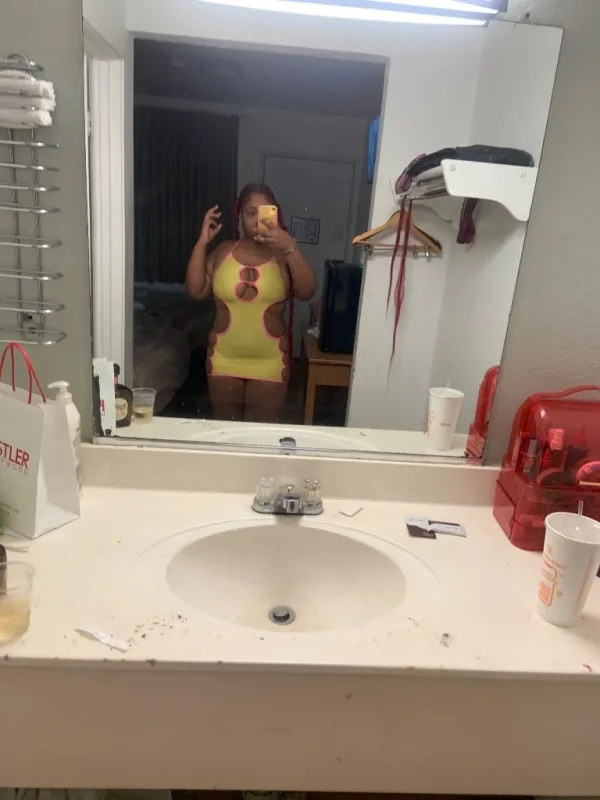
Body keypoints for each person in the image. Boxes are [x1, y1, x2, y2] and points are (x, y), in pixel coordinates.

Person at [186, 182, 317, 422]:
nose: (257, 220)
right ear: (240, 216)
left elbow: (307, 291)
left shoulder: (283, 253)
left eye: (264, 212)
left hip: (270, 361)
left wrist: (289, 246)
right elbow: (196, 290)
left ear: (275, 214)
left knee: (260, 436)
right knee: (226, 433)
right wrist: (203, 242)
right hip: (223, 358)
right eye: (250, 213)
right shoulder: (223, 250)